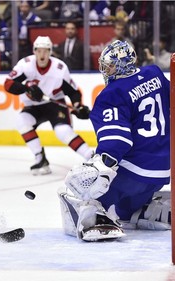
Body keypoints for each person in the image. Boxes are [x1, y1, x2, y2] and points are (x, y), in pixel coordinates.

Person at [58, 40, 170, 242]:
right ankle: (141, 210)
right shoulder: (155, 73)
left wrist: (101, 168)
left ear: (122, 64)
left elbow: (116, 142)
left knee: (75, 184)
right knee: (128, 195)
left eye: (109, 66)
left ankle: (95, 219)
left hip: (136, 172)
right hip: (164, 170)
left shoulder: (111, 94)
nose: (106, 71)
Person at [3, 36, 93, 176]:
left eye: (45, 51)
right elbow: (8, 84)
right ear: (34, 51)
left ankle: (91, 157)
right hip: (33, 106)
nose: (42, 54)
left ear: (50, 52)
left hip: (55, 104)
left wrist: (77, 105)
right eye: (39, 51)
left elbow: (73, 92)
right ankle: (40, 158)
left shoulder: (59, 68)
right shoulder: (25, 65)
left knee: (63, 131)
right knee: (22, 122)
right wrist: (26, 88)